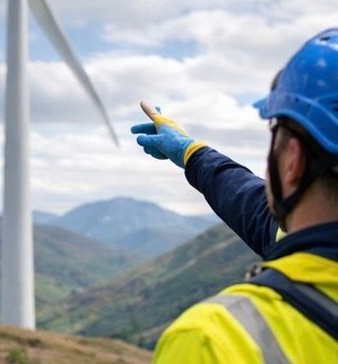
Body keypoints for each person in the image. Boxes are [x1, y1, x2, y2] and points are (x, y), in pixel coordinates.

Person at [131, 29, 338, 362]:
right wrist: (192, 153)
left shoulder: (213, 339)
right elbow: (253, 206)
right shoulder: (292, 233)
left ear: (292, 161)